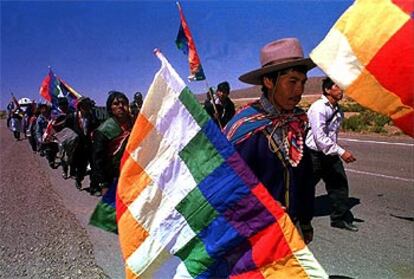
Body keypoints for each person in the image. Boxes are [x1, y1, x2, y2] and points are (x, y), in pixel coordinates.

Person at [224, 38, 316, 244]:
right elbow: (227, 185)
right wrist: (259, 209)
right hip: (255, 235)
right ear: (269, 81)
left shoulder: (297, 121)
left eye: (303, 82)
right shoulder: (245, 128)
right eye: (292, 82)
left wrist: (306, 221)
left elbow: (304, 177)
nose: (299, 90)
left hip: (292, 230)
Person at [305, 77, 358, 232]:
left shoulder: (339, 111)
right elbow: (319, 138)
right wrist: (341, 151)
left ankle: (338, 219)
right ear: (328, 90)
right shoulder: (318, 108)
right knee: (305, 188)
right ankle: (293, 216)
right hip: (314, 155)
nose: (341, 90)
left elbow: (332, 135)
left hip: (330, 154)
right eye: (337, 87)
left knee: (339, 185)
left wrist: (335, 151)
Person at [90, 91, 133, 196]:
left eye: (123, 103)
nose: (121, 106)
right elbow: (97, 159)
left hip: (133, 173)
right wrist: (103, 184)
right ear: (110, 108)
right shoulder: (104, 130)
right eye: (116, 104)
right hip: (113, 175)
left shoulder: (136, 123)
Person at [69, 97, 99, 189]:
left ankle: (93, 186)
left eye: (87, 105)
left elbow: (97, 127)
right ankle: (78, 179)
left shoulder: (92, 116)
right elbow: (66, 129)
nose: (86, 108)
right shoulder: (72, 117)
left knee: (94, 166)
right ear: (79, 106)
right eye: (84, 105)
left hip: (90, 145)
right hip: (79, 146)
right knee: (81, 167)